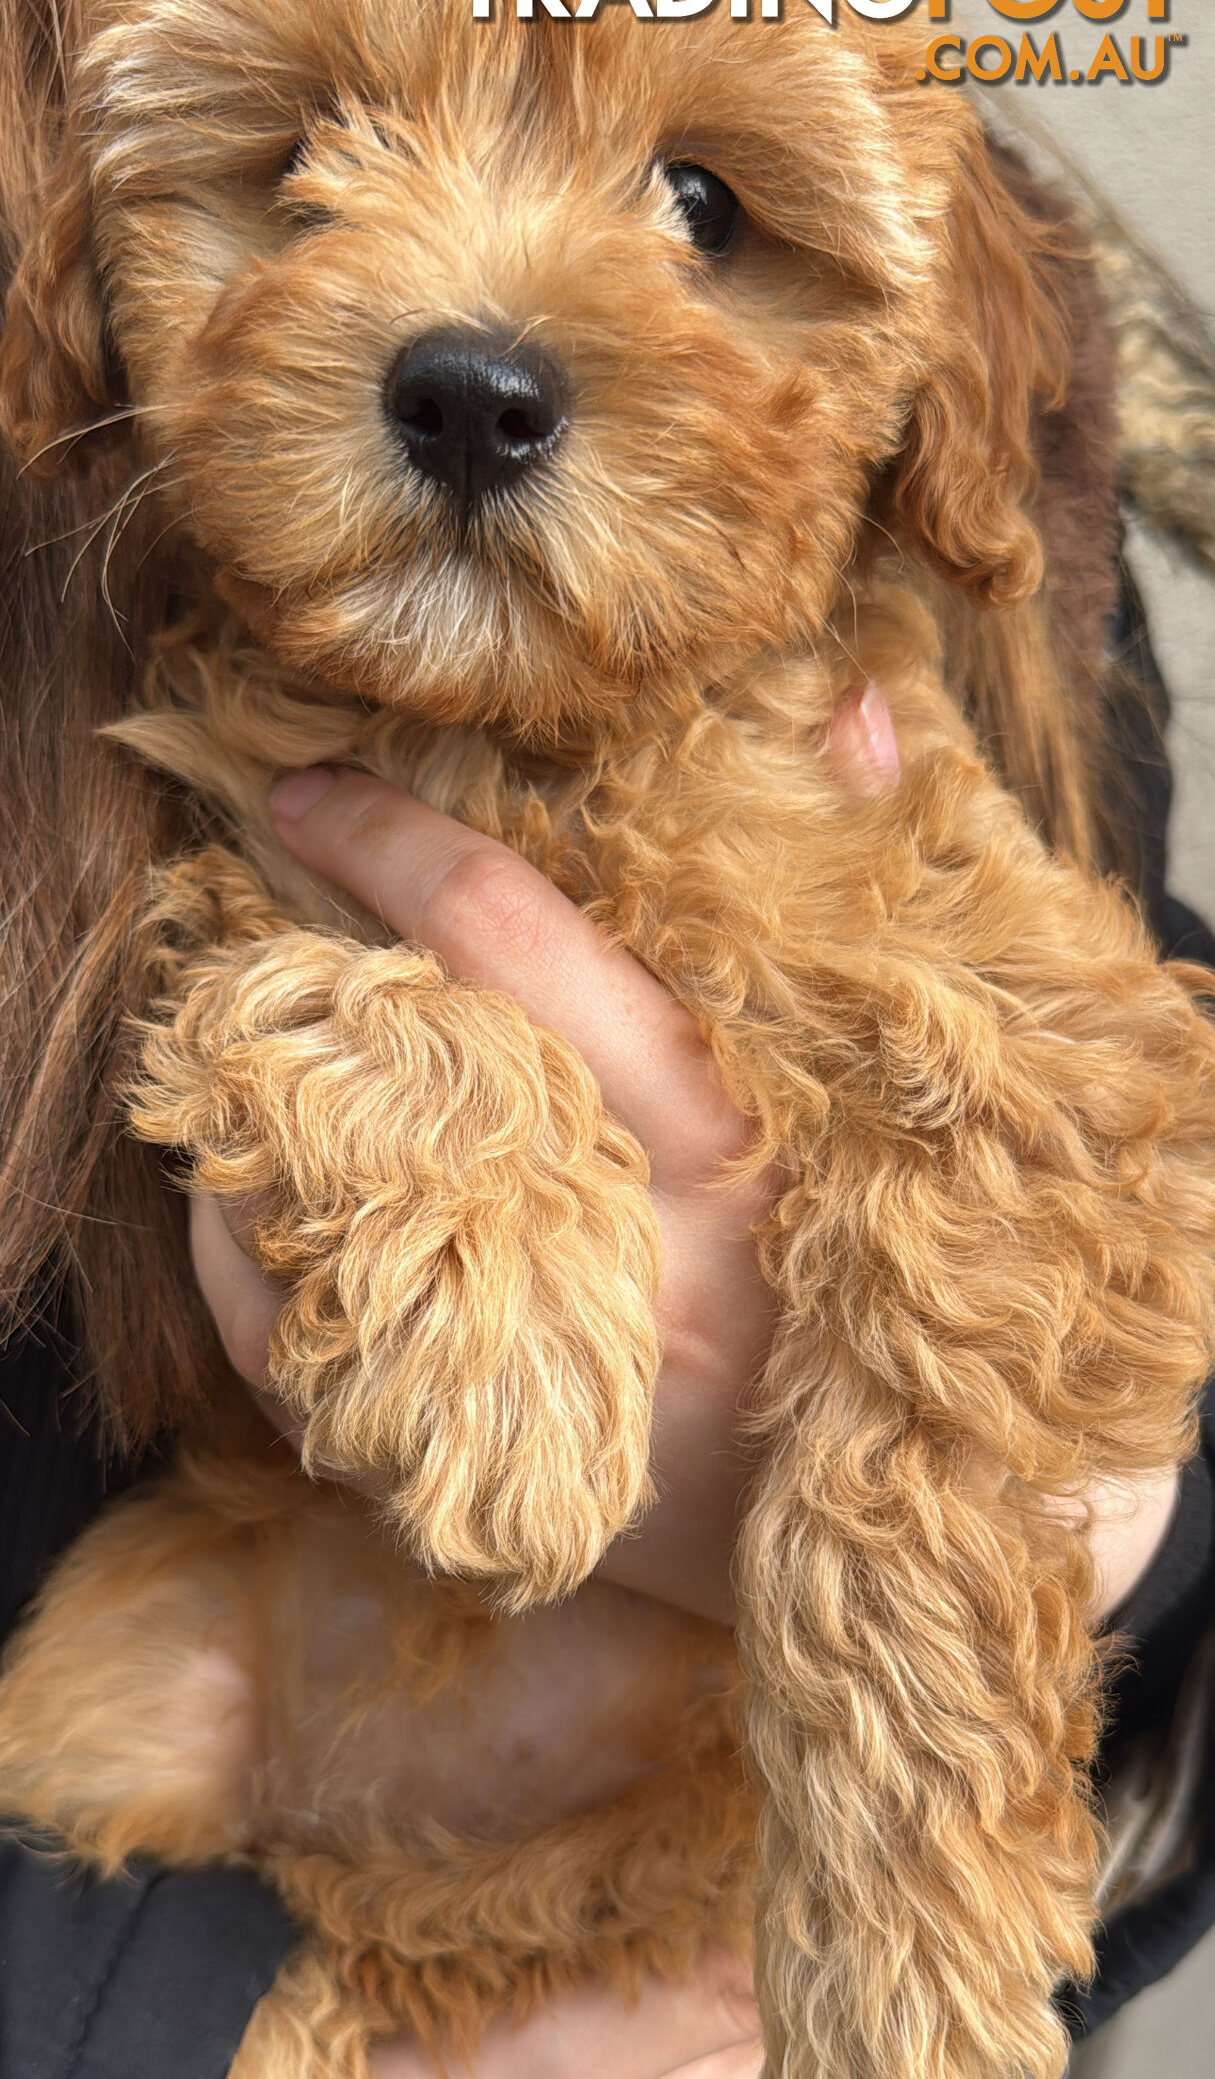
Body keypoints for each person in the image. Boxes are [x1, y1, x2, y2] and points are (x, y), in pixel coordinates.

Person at [2, 681, 1213, 2078]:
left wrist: (1105, 1525)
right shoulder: (243, 706)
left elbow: (1130, 1117)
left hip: (739, 1924)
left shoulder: (976, 670)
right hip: (211, 1881)